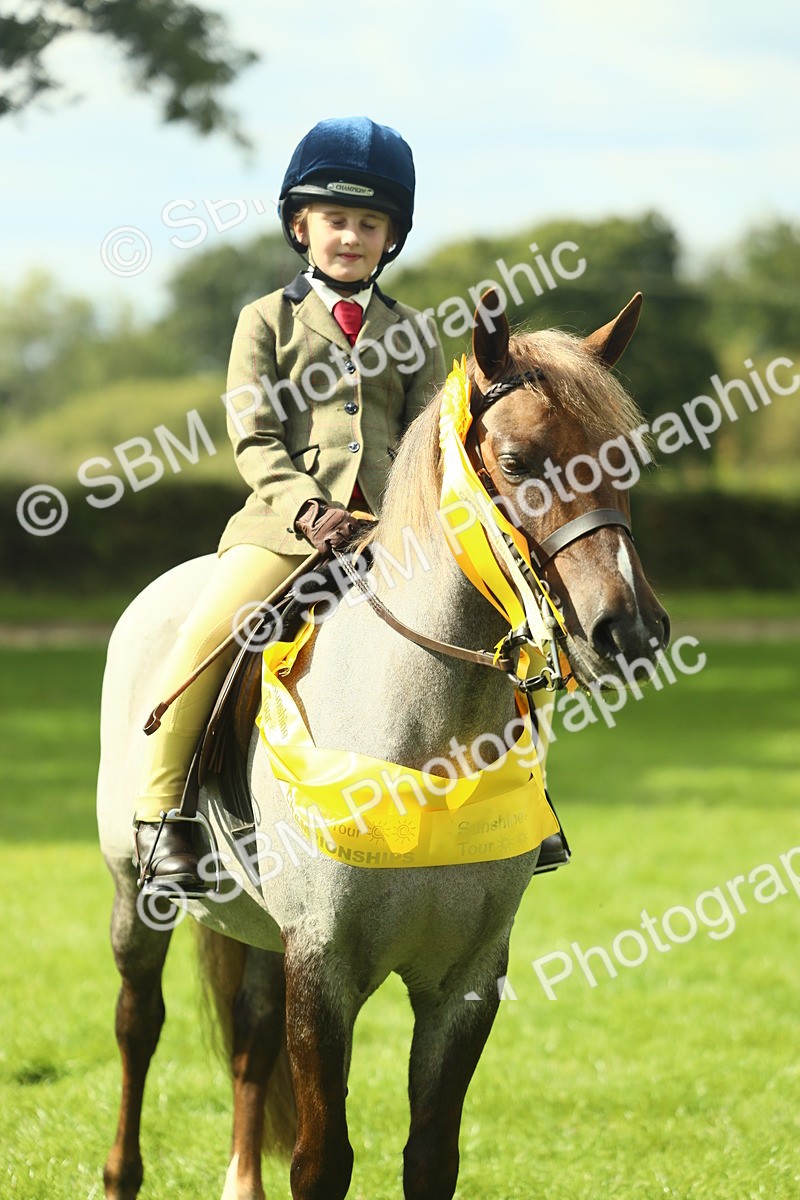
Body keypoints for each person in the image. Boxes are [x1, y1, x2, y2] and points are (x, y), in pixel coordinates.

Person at [133, 116, 445, 892]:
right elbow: (254, 434)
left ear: (391, 238)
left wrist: (403, 517)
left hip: (391, 534)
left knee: (500, 622)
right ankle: (161, 816)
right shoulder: (264, 320)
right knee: (207, 633)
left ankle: (526, 810)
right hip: (284, 529)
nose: (351, 236)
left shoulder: (413, 330)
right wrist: (310, 511)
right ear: (302, 227)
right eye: (336, 220)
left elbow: (425, 437)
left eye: (369, 223)